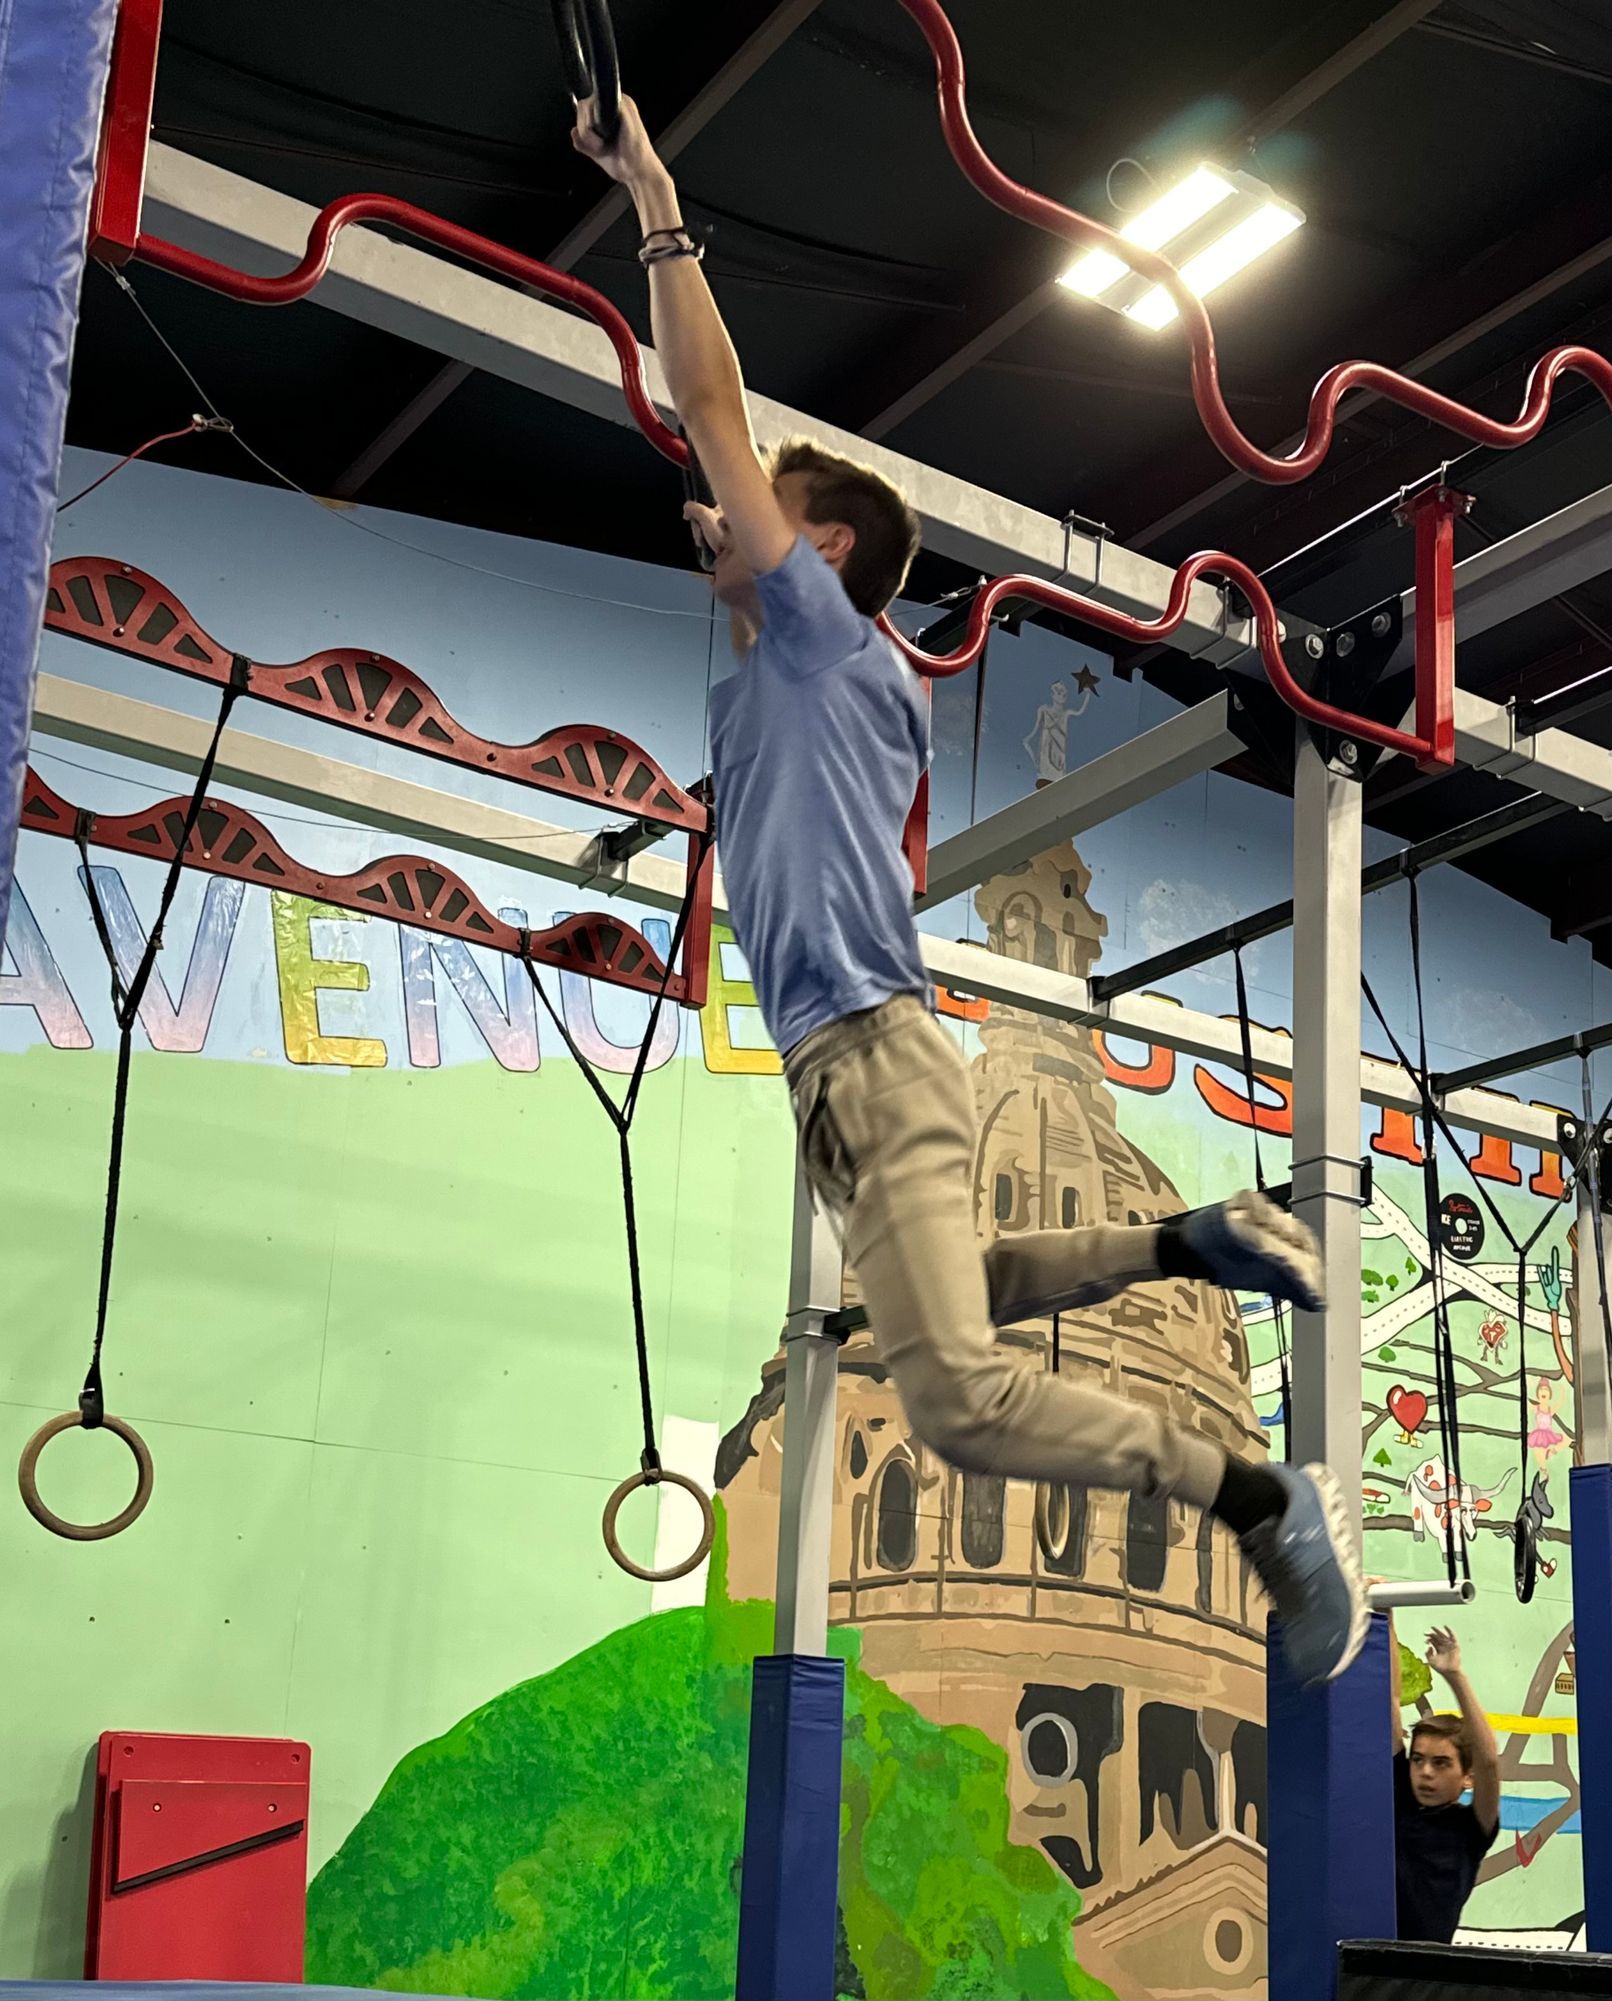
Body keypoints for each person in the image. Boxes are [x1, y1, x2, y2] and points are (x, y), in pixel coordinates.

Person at [573, 93, 1367, 1685]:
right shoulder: (783, 679)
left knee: (956, 1401)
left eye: (768, 518)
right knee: (940, 1305)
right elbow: (714, 477)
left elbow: (707, 396)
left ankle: (1262, 1497)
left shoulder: (829, 646)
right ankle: (1189, 1241)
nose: (727, 511)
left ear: (828, 560)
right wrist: (731, 548)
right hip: (841, 1069)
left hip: (871, 1050)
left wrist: (655, 195)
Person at [1390, 1624, 1501, 1942]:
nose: (1425, 1772)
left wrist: (1454, 1675)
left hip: (1427, 1969)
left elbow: (1489, 1761)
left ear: (1468, 1777)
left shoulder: (1471, 1829)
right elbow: (1392, 1700)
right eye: (1418, 1760)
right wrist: (1387, 1615)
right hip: (1371, 1957)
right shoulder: (1400, 1801)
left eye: (1441, 1763)